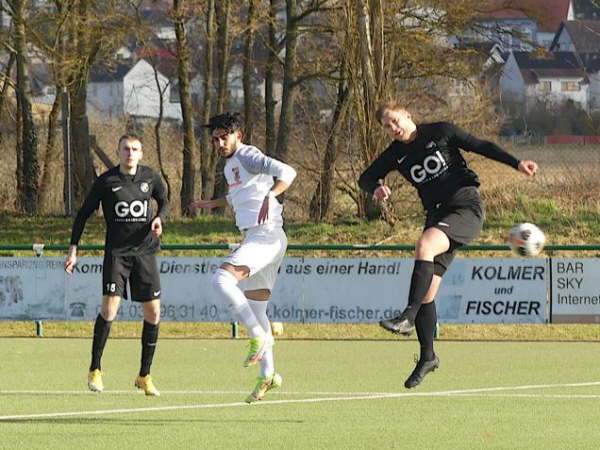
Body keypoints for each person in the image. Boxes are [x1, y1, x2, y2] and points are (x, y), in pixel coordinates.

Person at [358, 102, 538, 389]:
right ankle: (428, 357)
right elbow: (365, 177)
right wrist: (376, 187)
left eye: (395, 121)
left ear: (408, 114)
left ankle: (407, 315)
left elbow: (482, 146)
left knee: (424, 246)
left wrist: (517, 163)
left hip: (465, 206)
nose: (393, 129)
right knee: (427, 292)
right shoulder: (395, 154)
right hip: (438, 215)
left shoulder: (440, 131)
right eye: (387, 126)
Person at [190, 112, 296, 404]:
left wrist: (270, 196)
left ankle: (258, 338)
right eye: (216, 139)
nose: (220, 142)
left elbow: (288, 173)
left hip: (267, 235)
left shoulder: (248, 155)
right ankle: (268, 376)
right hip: (259, 237)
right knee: (257, 309)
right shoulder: (230, 167)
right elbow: (240, 195)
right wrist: (211, 203)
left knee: (221, 280)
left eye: (225, 136)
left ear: (239, 135)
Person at [64, 134, 168, 396]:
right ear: (118, 151)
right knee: (109, 310)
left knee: (154, 314)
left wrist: (159, 218)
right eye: (125, 149)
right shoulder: (106, 181)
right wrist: (73, 250)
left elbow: (165, 201)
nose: (130, 153)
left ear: (141, 153)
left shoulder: (151, 177)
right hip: (117, 255)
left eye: (135, 149)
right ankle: (95, 370)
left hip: (144, 254)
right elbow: (83, 214)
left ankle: (144, 375)